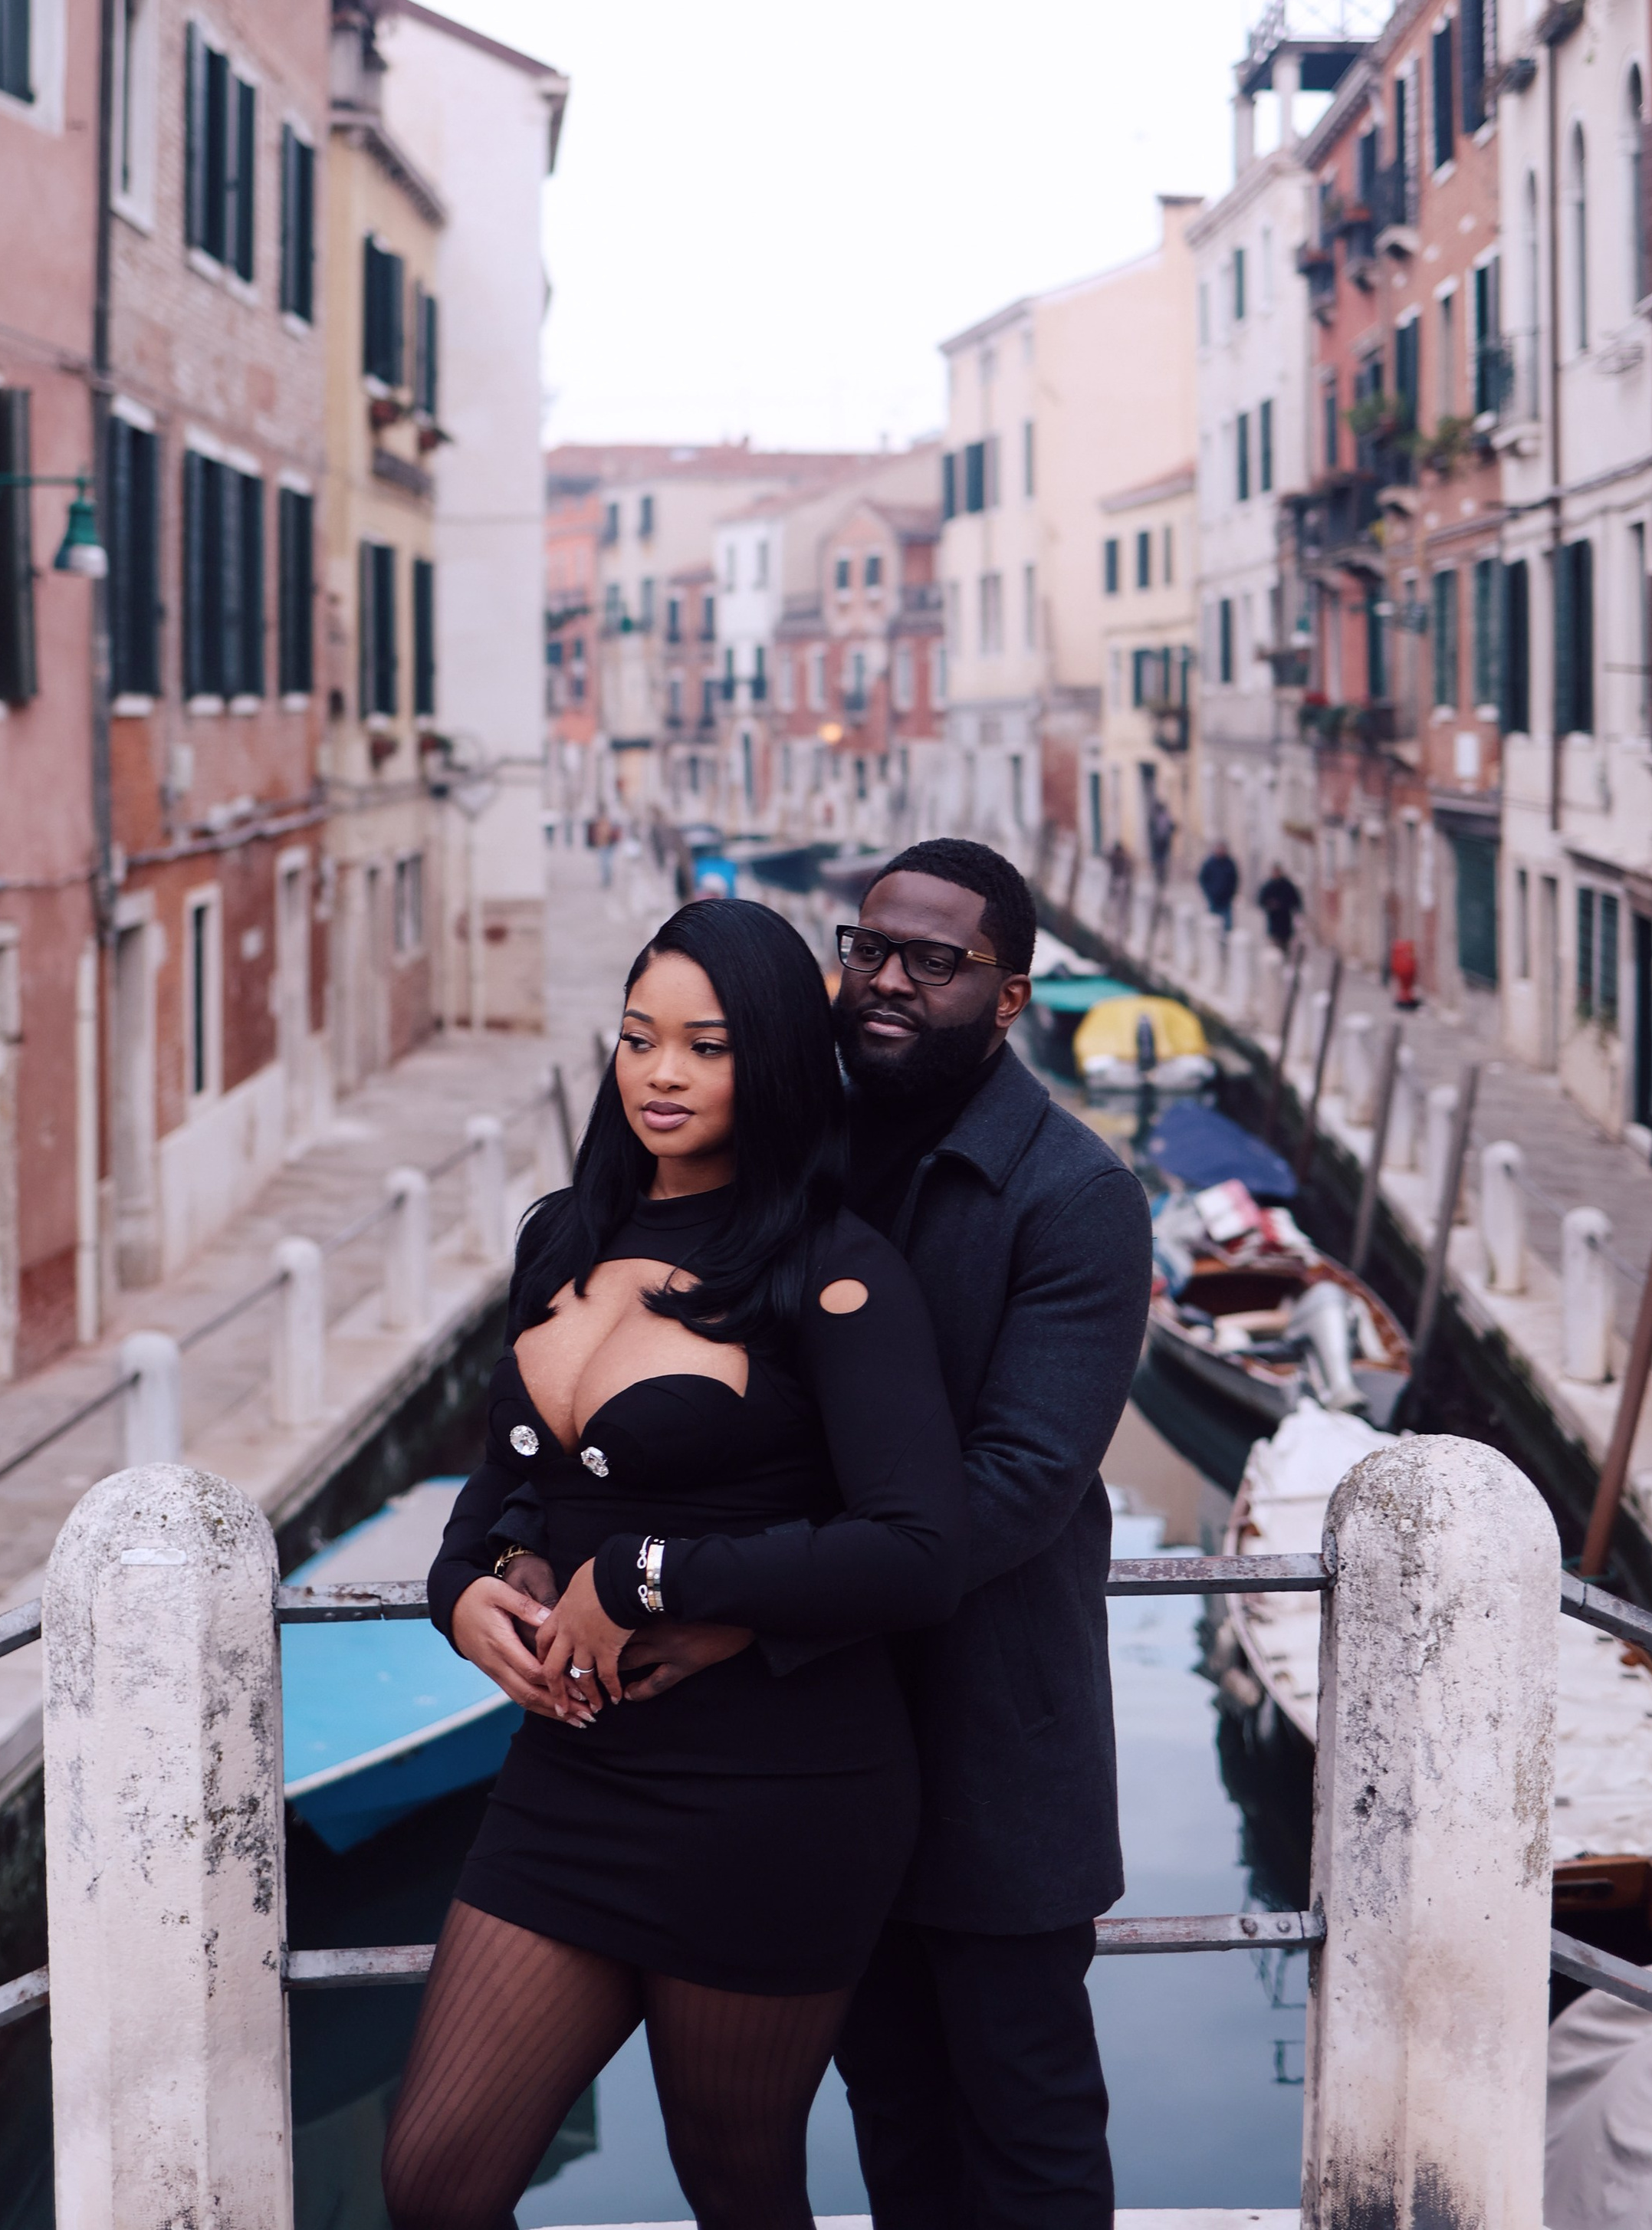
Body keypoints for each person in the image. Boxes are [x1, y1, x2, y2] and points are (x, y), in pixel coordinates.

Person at [387, 897, 969, 2230]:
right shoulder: (563, 1238)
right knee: (434, 2182)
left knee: (737, 2179)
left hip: (777, 1790)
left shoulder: (838, 1274)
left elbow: (919, 1551)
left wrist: (652, 1576)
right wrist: (462, 1589)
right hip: (573, 1780)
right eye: (640, 1038)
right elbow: (507, 1486)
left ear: (767, 1061)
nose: (660, 1074)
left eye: (705, 1048)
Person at [826, 836, 1154, 2229]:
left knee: (1027, 2142)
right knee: (894, 2123)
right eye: (870, 950)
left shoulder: (1077, 1195)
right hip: (827, 1751)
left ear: (1010, 996)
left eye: (934, 963)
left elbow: (1020, 1485)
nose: (889, 981)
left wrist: (748, 1590)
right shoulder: (801, 1154)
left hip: (997, 1757)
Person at [1256, 863, 1302, 954]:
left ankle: (1285, 958)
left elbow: (1296, 900)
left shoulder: (1287, 885)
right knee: (1275, 944)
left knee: (1285, 942)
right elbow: (1261, 900)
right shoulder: (1268, 886)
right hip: (1273, 919)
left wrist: (1296, 910)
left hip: (1285, 918)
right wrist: (1270, 905)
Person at [1197, 839, 1240, 933]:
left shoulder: (1230, 864)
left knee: (1227, 926)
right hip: (1213, 899)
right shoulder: (1209, 863)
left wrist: (1232, 893)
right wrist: (1209, 892)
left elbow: (1235, 880)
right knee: (1213, 925)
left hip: (1226, 900)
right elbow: (1202, 879)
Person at [1146, 792, 1175, 889]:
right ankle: (1160, 877)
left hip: (1160, 844)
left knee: (1160, 861)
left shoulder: (1157, 818)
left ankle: (1160, 877)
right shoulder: (1165, 817)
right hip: (1161, 844)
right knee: (1161, 861)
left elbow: (1151, 830)